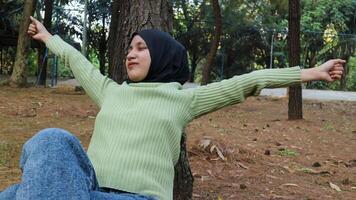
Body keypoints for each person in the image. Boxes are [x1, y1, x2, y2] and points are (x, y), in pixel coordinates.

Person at [0, 16, 345, 200]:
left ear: (163, 55)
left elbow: (247, 81)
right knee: (51, 139)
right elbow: (77, 60)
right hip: (85, 192)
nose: (130, 53)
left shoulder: (183, 99)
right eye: (129, 48)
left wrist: (311, 73)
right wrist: (47, 38)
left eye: (141, 47)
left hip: (139, 199)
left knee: (17, 195)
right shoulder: (111, 91)